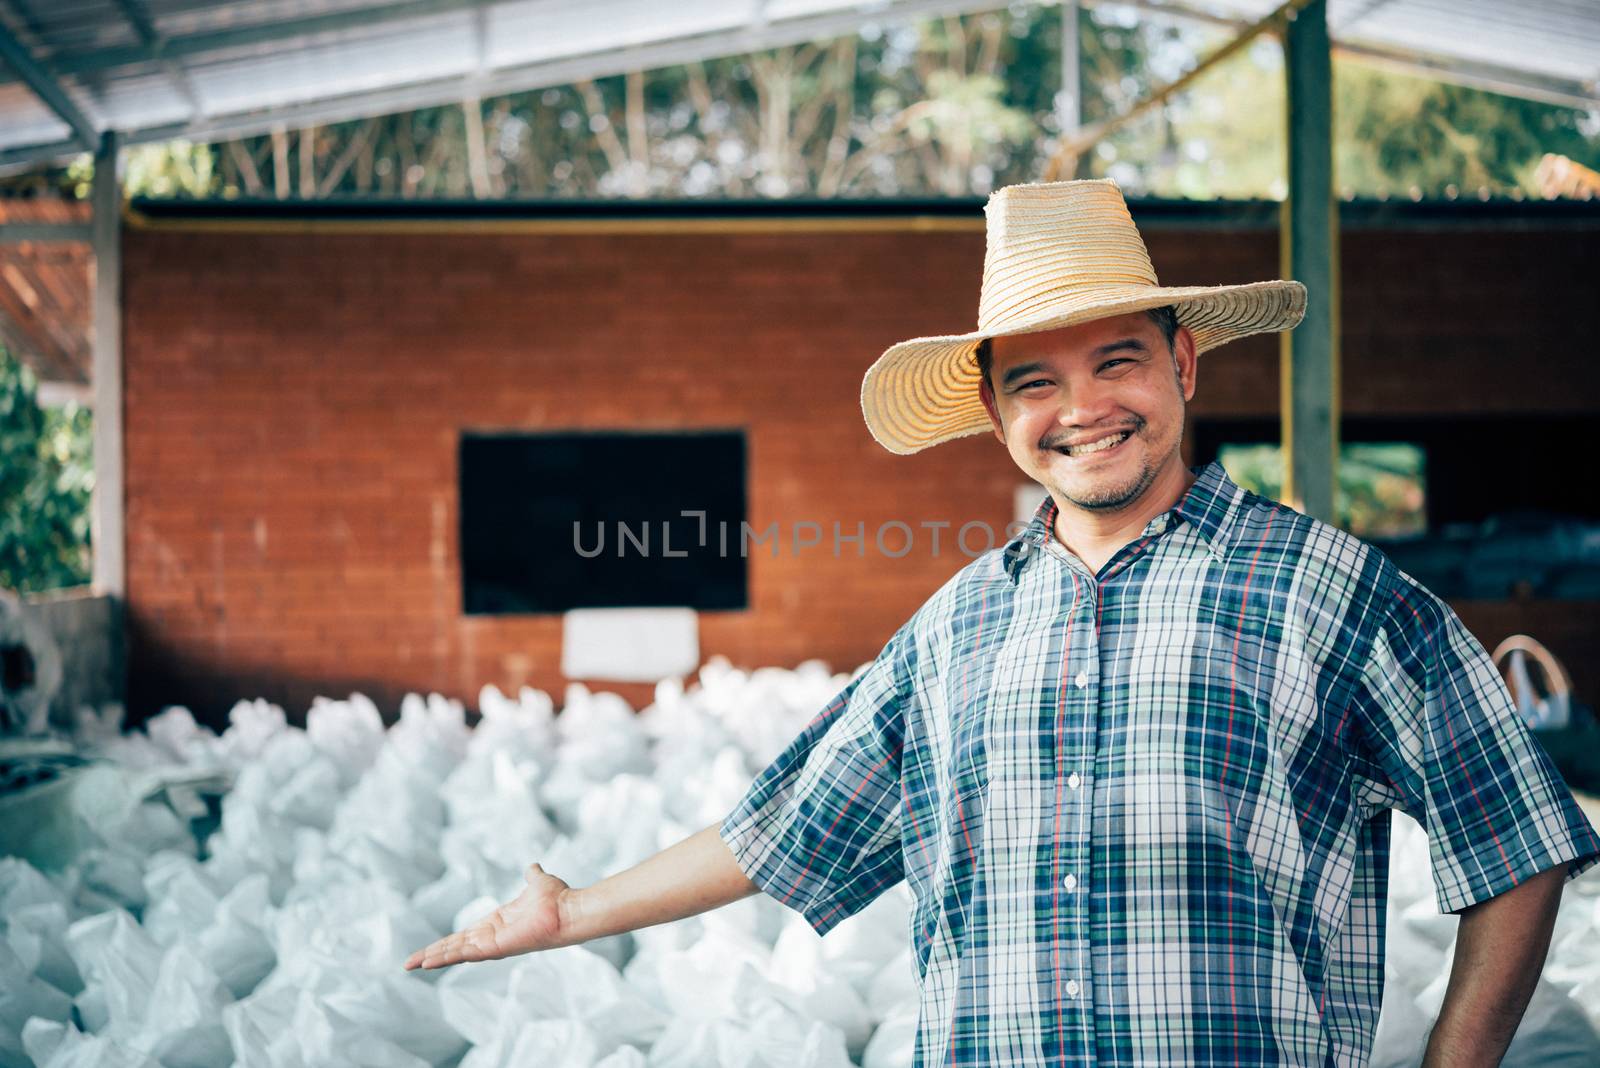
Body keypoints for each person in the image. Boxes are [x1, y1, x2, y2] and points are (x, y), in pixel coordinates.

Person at [403, 179, 1600, 1067]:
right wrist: (576, 911)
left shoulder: (1332, 591)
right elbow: (783, 828)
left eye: (1116, 362)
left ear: (1184, 365)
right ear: (992, 412)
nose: (1082, 410)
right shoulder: (955, 628)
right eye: (1035, 381)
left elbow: (1516, 843)